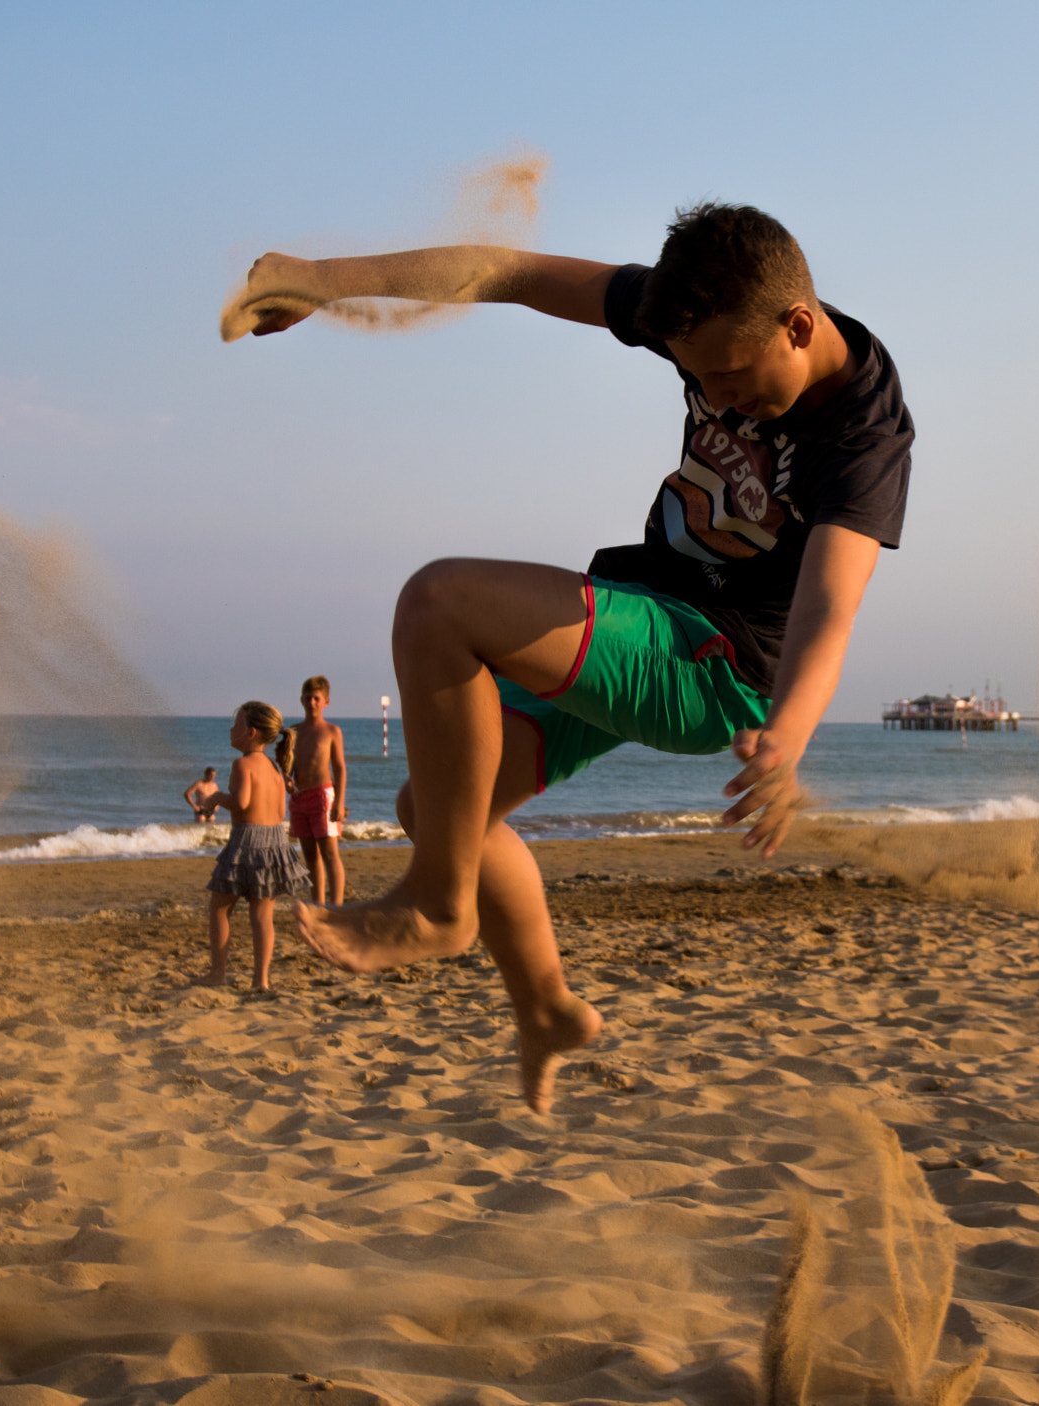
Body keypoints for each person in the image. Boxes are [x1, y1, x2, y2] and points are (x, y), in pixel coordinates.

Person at [226, 202, 912, 1111]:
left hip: (721, 666)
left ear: (798, 326)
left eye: (734, 377)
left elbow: (830, 605)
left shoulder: (861, 433)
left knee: (438, 603)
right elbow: (506, 273)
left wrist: (788, 738)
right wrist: (324, 281)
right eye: (702, 375)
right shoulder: (698, 315)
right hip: (653, 611)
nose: (722, 394)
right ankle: (545, 1005)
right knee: (437, 804)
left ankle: (436, 908)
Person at [194, 701, 310, 993]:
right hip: (274, 842)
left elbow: (242, 802)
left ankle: (218, 973)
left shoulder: (241, 764)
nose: (231, 729)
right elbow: (280, 812)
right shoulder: (274, 767)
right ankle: (261, 980)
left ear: (251, 733)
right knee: (262, 915)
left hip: (246, 841)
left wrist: (218, 797)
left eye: (236, 724)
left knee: (219, 908)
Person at [288, 674, 348, 905]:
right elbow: (288, 766)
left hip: (323, 797)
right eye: (308, 698)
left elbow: (340, 768)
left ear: (326, 701)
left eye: (316, 698)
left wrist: (339, 802)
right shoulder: (293, 731)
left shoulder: (331, 731)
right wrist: (287, 781)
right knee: (310, 857)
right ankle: (318, 904)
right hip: (299, 797)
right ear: (301, 700)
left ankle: (337, 905)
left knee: (330, 854)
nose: (312, 703)